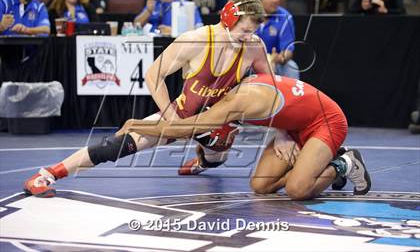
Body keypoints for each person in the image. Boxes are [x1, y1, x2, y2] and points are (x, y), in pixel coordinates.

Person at [23, 0, 273, 197]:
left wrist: (277, 128)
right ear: (228, 20)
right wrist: (169, 113)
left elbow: (273, 86)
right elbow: (153, 75)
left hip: (216, 122)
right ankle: (47, 174)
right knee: (116, 147)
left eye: (253, 31)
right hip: (181, 116)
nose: (249, 36)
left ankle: (200, 162)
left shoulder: (253, 46)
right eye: (245, 30)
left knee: (217, 159)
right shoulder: (196, 40)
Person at [117, 74, 371, 200]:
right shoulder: (239, 87)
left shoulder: (236, 103)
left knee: (297, 189)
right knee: (260, 187)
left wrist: (135, 124)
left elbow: (182, 129)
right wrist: (281, 132)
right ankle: (312, 161)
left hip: (326, 122)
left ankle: (344, 163)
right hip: (295, 125)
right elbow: (285, 105)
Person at [252, 0, 299, 79]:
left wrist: (279, 58)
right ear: (258, 0)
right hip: (250, 62)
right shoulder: (248, 16)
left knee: (292, 67)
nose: (275, 0)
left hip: (276, 63)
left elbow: (288, 51)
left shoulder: (286, 17)